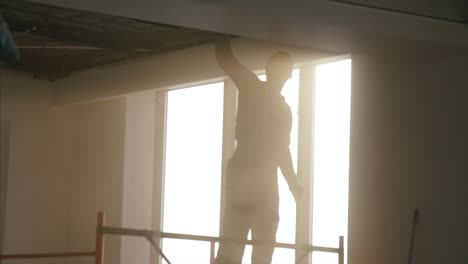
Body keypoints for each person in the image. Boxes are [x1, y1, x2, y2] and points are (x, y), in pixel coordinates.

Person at [215, 38, 303, 264]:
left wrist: (293, 184)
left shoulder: (284, 110)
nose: (282, 74)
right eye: (281, 69)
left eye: (285, 70)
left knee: (261, 245)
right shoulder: (253, 87)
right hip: (247, 173)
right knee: (235, 242)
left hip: (263, 179)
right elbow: (227, 61)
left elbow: (283, 151)